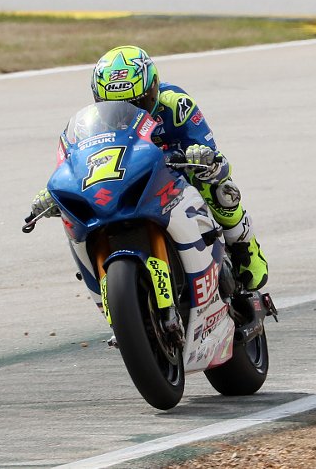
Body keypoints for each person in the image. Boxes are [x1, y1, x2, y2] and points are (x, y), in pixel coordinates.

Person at [29, 45, 269, 291]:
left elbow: (211, 155)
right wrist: (56, 192)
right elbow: (77, 165)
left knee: (217, 183)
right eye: (116, 105)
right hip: (131, 181)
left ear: (153, 87)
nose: (127, 111)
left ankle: (243, 246)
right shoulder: (87, 126)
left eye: (137, 102)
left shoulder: (177, 105)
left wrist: (200, 155)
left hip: (177, 176)